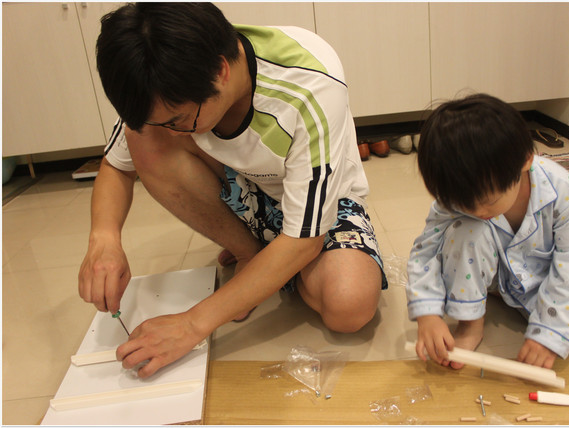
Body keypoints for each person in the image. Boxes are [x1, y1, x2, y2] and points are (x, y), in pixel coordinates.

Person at [78, 3, 387, 378]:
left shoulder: (309, 84)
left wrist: (192, 323)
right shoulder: (163, 72)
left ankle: (269, 264)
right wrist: (104, 238)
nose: (173, 130)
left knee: (349, 306)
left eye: (178, 120)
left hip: (322, 206)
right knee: (142, 136)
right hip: (251, 192)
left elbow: (306, 239)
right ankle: (252, 255)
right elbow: (116, 165)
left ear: (221, 72)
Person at [406, 94, 569, 369]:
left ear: (526, 161)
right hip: (488, 270)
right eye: (464, 205)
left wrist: (550, 334)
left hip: (537, 279)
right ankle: (471, 324)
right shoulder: (458, 194)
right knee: (467, 231)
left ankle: (518, 306)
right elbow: (425, 251)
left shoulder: (562, 191)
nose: (477, 211)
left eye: (488, 201)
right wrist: (427, 314)